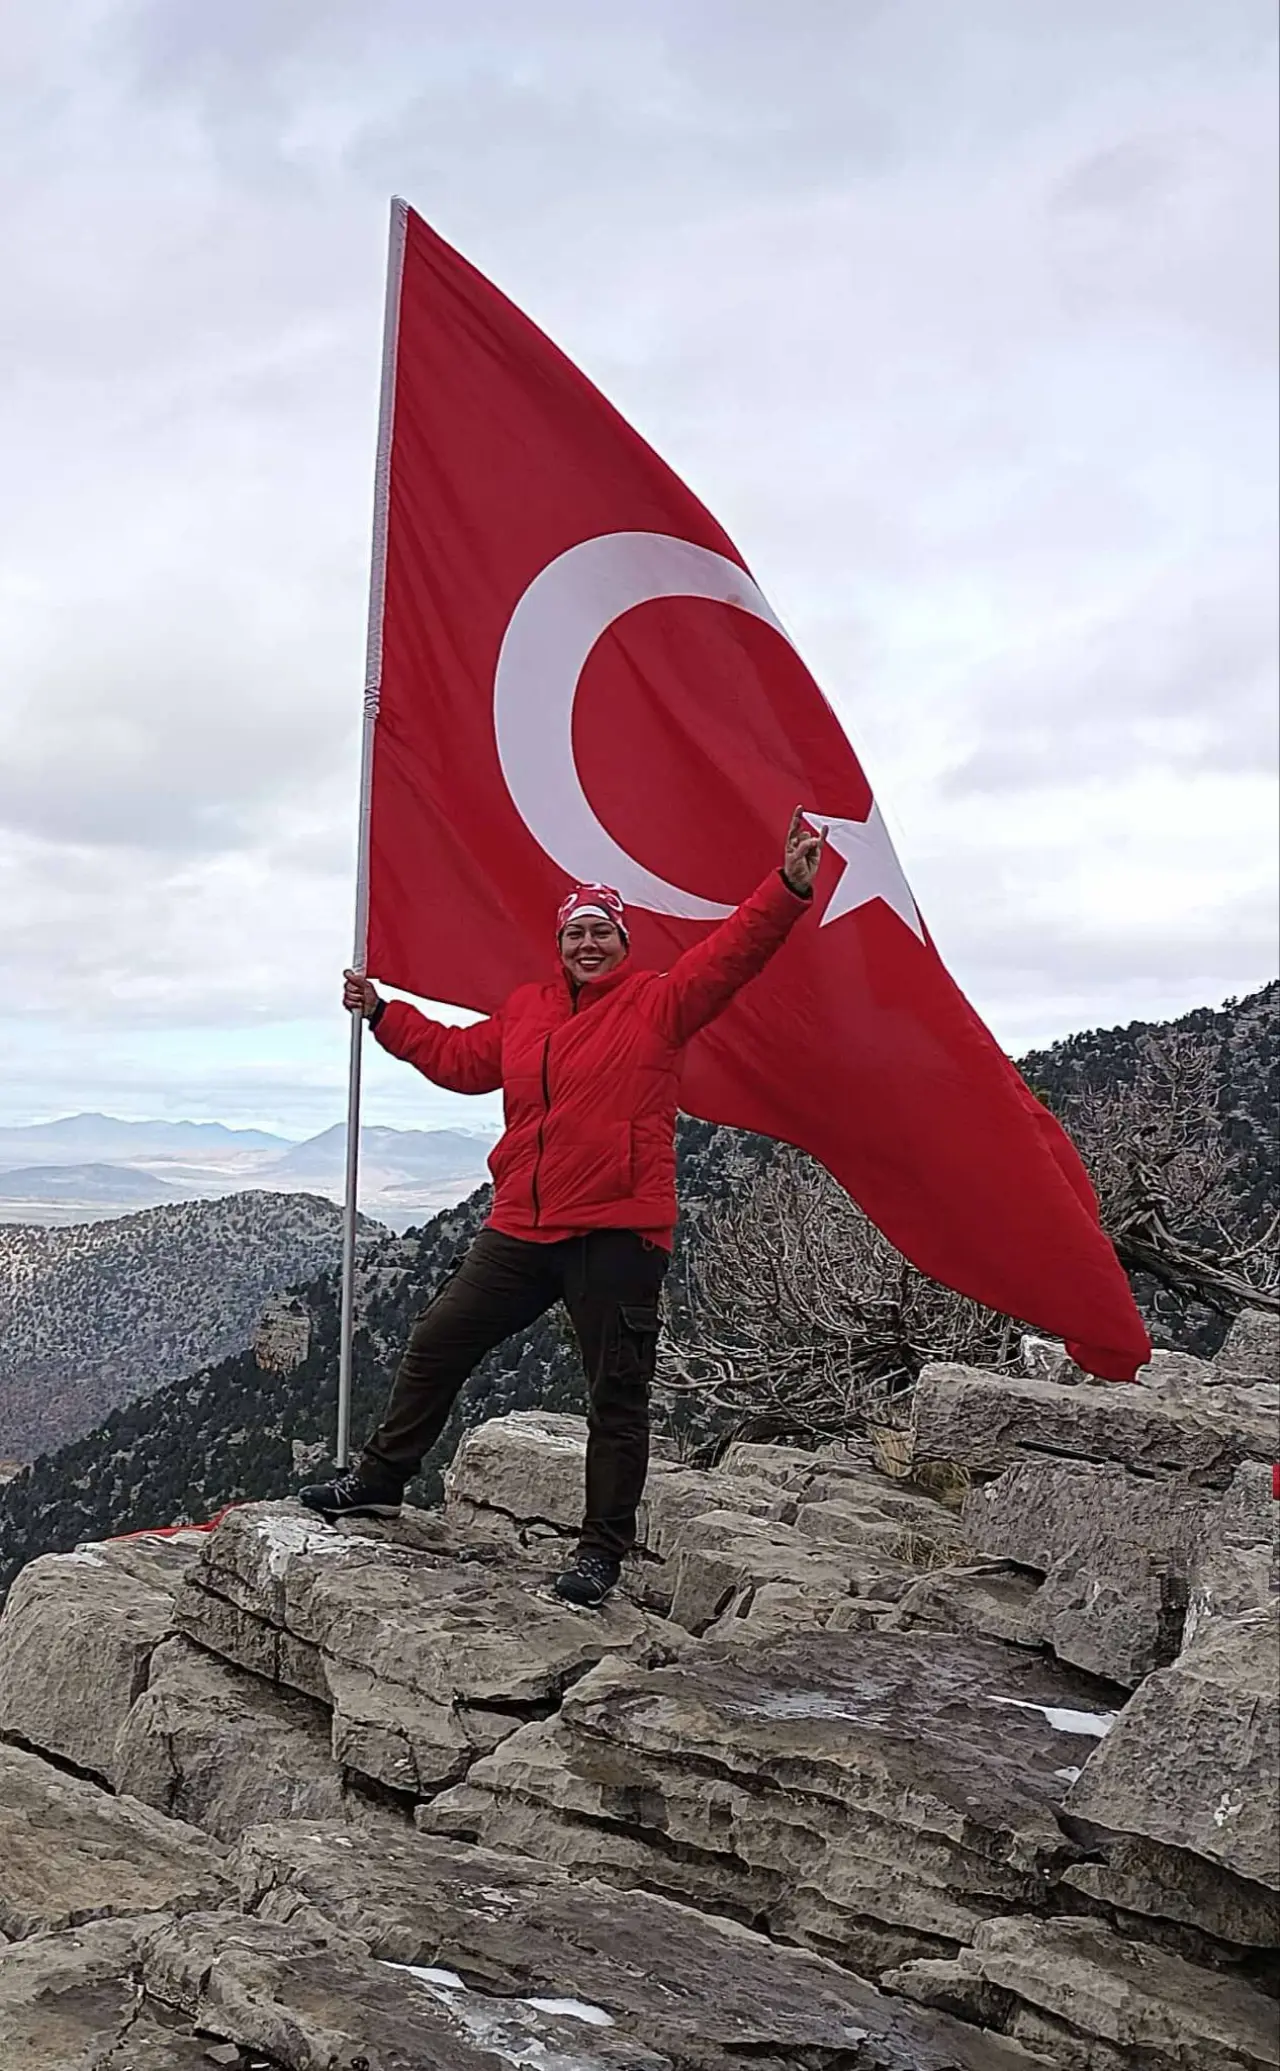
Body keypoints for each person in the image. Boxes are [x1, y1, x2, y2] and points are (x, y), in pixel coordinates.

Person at [299, 809, 826, 1605]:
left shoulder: (658, 1003)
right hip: (521, 1223)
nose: (588, 943)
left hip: (616, 1230)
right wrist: (383, 1013)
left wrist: (786, 886)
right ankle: (380, 1479)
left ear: (623, 943)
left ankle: (600, 1552)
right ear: (560, 944)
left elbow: (732, 956)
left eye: (602, 931)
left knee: (616, 1395)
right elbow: (455, 1058)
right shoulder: (527, 1012)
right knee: (439, 1340)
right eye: (576, 931)